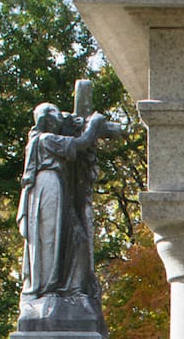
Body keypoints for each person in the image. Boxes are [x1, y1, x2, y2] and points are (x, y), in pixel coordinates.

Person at [17, 88, 126, 313]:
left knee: (75, 236)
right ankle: (48, 289)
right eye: (56, 113)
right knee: (50, 237)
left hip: (58, 186)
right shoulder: (45, 139)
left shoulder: (50, 139)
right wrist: (94, 123)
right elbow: (80, 143)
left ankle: (72, 288)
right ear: (47, 119)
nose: (60, 116)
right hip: (48, 186)